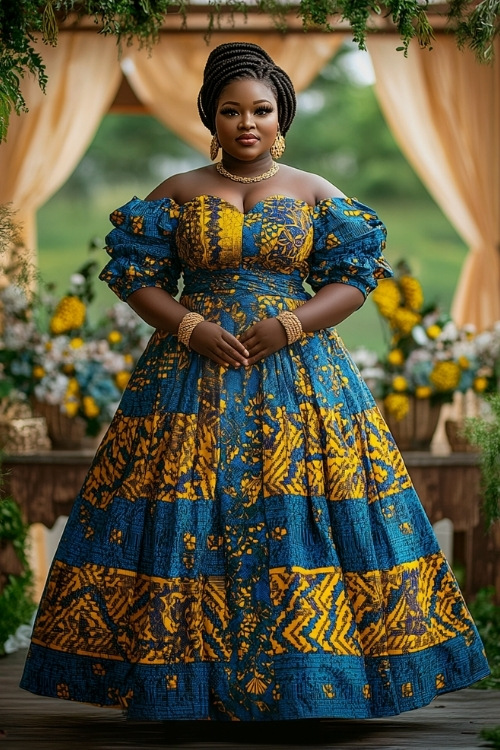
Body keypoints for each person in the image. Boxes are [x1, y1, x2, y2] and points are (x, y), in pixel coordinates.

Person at [21, 41, 489, 722]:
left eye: (261, 110)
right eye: (232, 111)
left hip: (300, 378)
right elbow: (135, 277)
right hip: (187, 379)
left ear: (282, 117)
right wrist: (189, 326)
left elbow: (354, 280)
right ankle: (181, 686)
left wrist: (291, 325)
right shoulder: (176, 193)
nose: (247, 123)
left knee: (299, 513)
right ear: (211, 117)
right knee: (184, 508)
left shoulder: (316, 194)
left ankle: (317, 686)